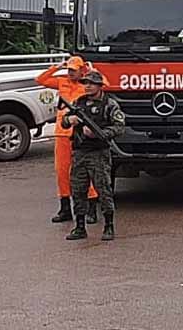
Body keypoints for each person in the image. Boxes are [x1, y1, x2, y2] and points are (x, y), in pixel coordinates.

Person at [62, 70, 125, 242]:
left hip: (98, 153)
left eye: (91, 83)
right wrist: (71, 120)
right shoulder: (79, 102)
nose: (87, 86)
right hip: (80, 152)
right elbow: (63, 121)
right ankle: (80, 226)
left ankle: (109, 226)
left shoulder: (109, 104)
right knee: (78, 190)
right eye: (85, 83)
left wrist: (100, 133)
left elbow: (120, 127)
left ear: (99, 86)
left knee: (104, 190)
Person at [35, 56, 99, 224]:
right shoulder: (62, 81)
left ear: (81, 70)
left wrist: (92, 70)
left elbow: (104, 82)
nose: (70, 72)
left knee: (86, 170)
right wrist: (57, 67)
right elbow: (40, 80)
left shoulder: (87, 85)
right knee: (62, 171)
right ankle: (65, 208)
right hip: (62, 133)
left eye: (73, 70)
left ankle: (91, 208)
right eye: (69, 69)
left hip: (80, 134)